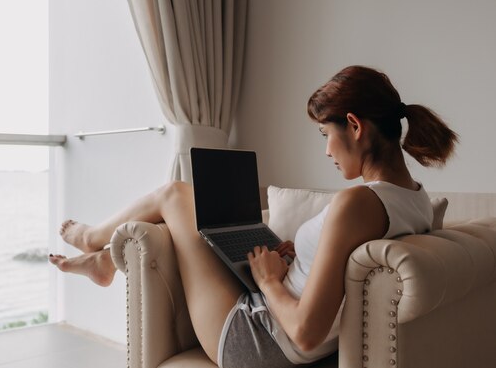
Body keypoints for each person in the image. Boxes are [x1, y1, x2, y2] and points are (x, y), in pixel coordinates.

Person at [49, 65, 458, 368]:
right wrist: (303, 258)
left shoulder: (359, 203)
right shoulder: (416, 200)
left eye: (325, 136)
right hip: (275, 318)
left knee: (175, 195)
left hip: (260, 342)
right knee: (198, 215)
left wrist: (267, 278)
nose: (327, 151)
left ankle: (93, 239)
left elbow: (304, 331)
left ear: (353, 126)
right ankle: (105, 259)